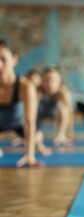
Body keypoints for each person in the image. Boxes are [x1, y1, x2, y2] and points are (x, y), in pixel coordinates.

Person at [0, 39, 44, 167]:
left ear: (14, 60)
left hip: (19, 126)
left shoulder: (26, 86)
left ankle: (38, 138)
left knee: (36, 137)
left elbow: (30, 123)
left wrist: (30, 155)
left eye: (3, 59)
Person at [36, 66, 75, 146]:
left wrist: (70, 132)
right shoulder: (38, 89)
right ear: (42, 81)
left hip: (55, 113)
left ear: (59, 82)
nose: (50, 84)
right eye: (47, 80)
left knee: (64, 109)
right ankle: (34, 133)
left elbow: (69, 112)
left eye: (53, 81)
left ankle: (61, 135)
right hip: (41, 111)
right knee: (32, 107)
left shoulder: (63, 92)